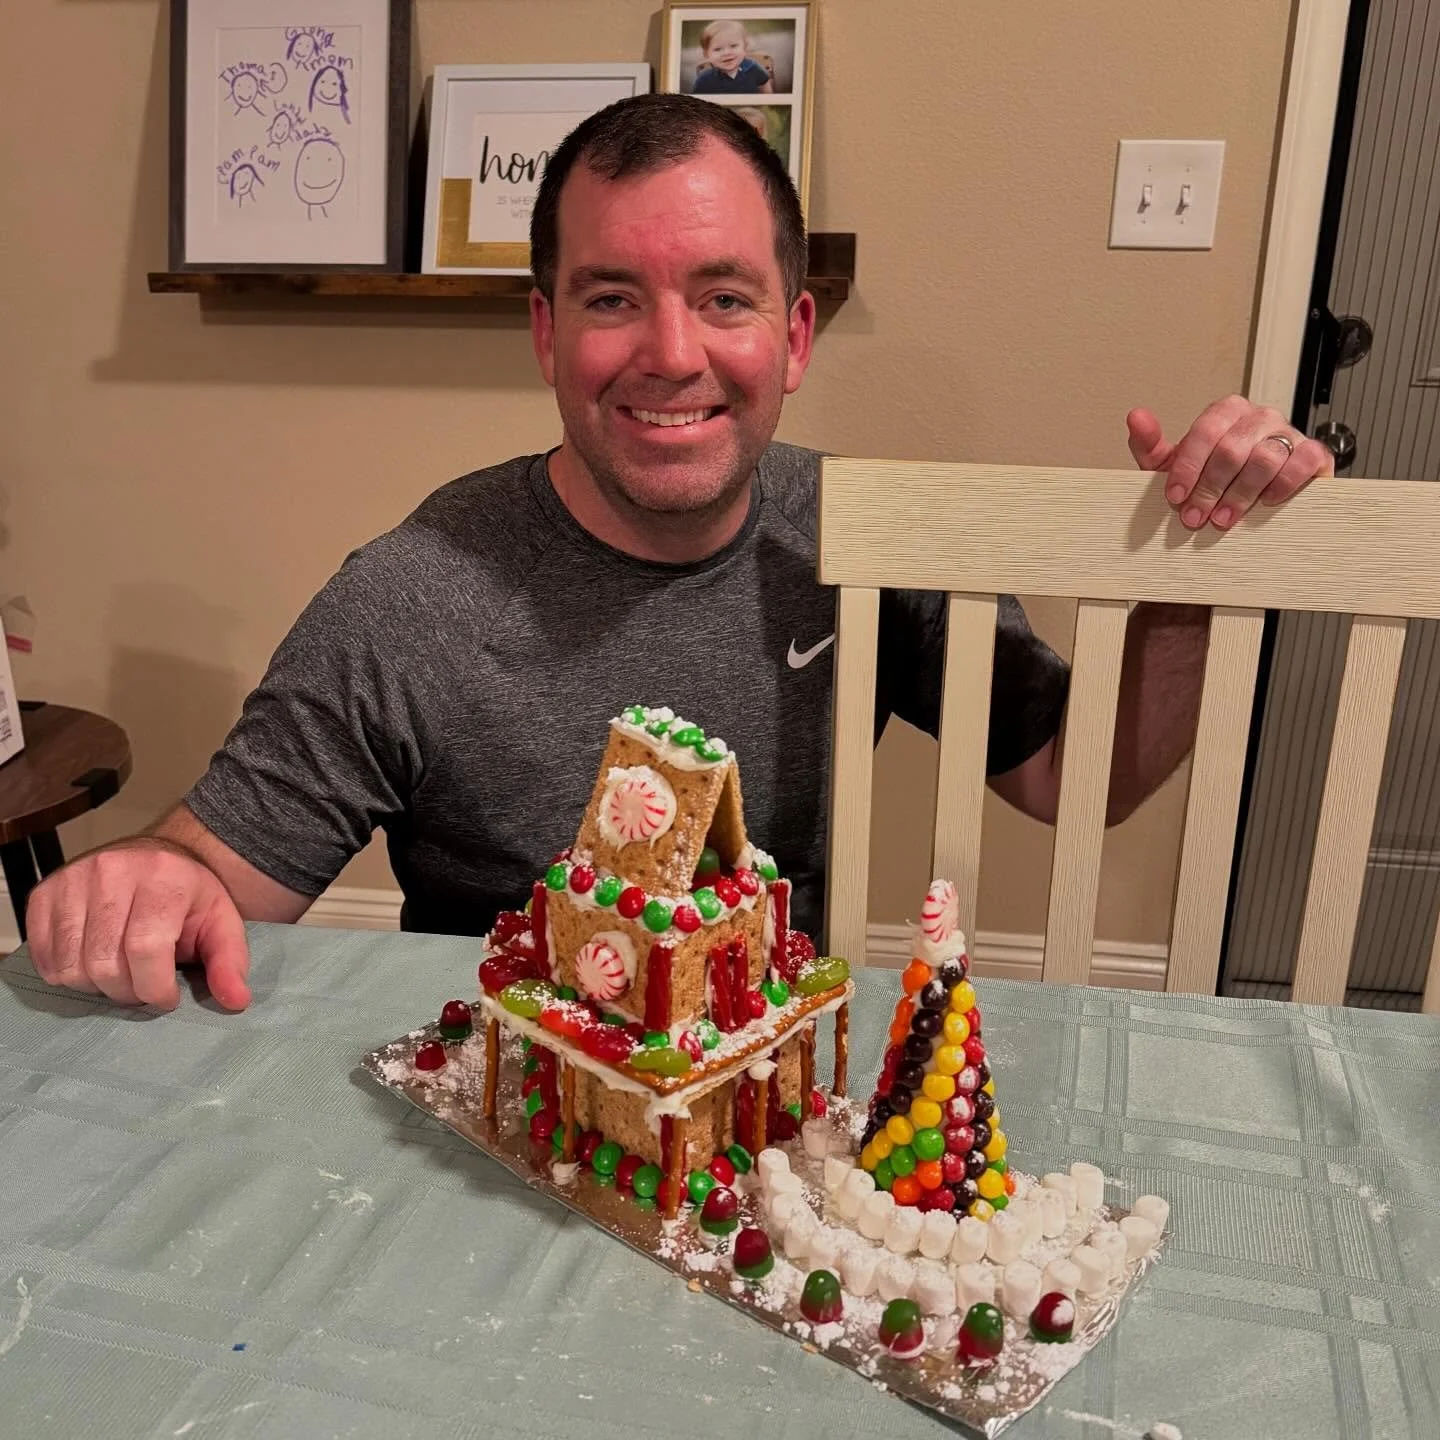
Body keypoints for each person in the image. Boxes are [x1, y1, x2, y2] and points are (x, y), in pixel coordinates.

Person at [25, 93, 1331, 1013]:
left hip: (773, 1114)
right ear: (546, 334)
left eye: (722, 297)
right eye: (610, 298)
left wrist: (1193, 580)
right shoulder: (412, 595)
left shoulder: (863, 544)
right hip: (507, 1123)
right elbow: (210, 870)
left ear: (796, 335)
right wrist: (152, 881)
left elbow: (1079, 781)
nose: (670, 353)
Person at [691, 20, 775, 95]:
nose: (727, 53)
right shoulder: (704, 79)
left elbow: (765, 85)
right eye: (717, 49)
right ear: (707, 55)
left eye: (733, 46)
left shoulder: (753, 68)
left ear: (745, 47)